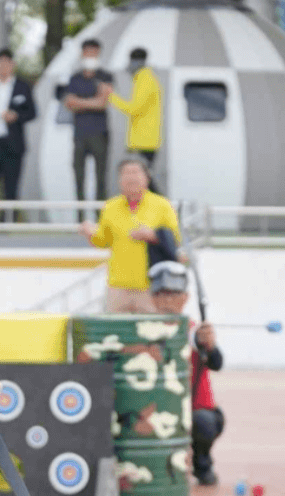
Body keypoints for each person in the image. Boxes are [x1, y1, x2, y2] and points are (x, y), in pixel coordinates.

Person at [148, 261, 223, 486]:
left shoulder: (193, 331)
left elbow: (217, 363)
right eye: (161, 294)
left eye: (174, 293)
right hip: (156, 410)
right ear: (152, 298)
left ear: (186, 297)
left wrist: (208, 345)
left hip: (193, 412)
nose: (167, 300)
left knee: (205, 422)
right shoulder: (143, 329)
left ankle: (202, 462)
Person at [79, 157, 180, 313]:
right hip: (118, 285)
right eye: (126, 173)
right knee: (114, 333)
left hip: (151, 285)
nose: (131, 177)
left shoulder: (162, 205)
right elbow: (104, 241)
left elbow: (175, 239)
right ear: (119, 180)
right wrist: (89, 233)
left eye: (135, 172)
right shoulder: (110, 207)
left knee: (151, 332)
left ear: (147, 178)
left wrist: (152, 235)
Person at [58, 38, 115, 217]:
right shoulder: (74, 77)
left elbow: (103, 103)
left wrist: (80, 102)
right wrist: (93, 101)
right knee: (79, 177)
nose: (91, 56)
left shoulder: (106, 76)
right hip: (79, 133)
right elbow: (68, 103)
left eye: (94, 53)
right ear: (82, 54)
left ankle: (101, 219)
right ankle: (80, 218)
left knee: (100, 178)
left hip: (100, 132)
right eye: (88, 52)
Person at [0, 48, 37, 211]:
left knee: (11, 188)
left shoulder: (22, 86)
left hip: (13, 144)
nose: (2, 67)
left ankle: (7, 226)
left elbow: (32, 112)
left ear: (12, 65)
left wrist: (16, 115)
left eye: (6, 63)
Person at [105, 47, 162, 191]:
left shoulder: (145, 79)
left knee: (144, 183)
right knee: (144, 183)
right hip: (142, 140)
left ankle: (166, 210)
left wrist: (111, 96)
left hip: (144, 142)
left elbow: (134, 109)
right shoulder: (143, 79)